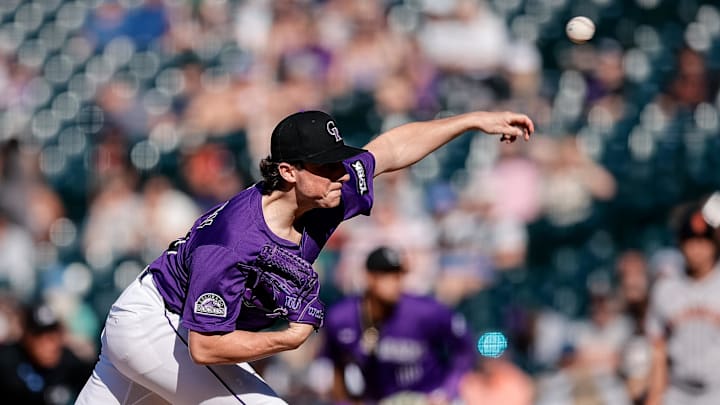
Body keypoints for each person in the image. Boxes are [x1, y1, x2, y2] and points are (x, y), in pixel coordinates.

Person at [76, 109, 534, 404]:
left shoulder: (322, 194)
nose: (340, 173)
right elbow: (205, 347)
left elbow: (389, 150)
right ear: (289, 171)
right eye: (326, 165)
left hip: (157, 321)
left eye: (339, 161)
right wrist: (287, 339)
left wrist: (472, 120)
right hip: (163, 325)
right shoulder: (235, 240)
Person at [322, 246, 476, 404]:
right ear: (370, 277)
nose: (395, 282)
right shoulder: (342, 318)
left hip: (427, 396)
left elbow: (464, 349)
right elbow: (335, 367)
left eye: (398, 275)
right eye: (387, 275)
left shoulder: (427, 312)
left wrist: (447, 391)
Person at [645, 201, 720, 405]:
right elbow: (658, 351)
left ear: (714, 244)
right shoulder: (665, 288)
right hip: (678, 392)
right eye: (690, 241)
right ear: (680, 243)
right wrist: (655, 397)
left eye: (703, 241)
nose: (697, 249)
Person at [0, 303, 93, 405]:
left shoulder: (69, 362)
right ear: (27, 338)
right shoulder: (7, 362)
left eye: (53, 335)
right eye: (40, 336)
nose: (49, 344)